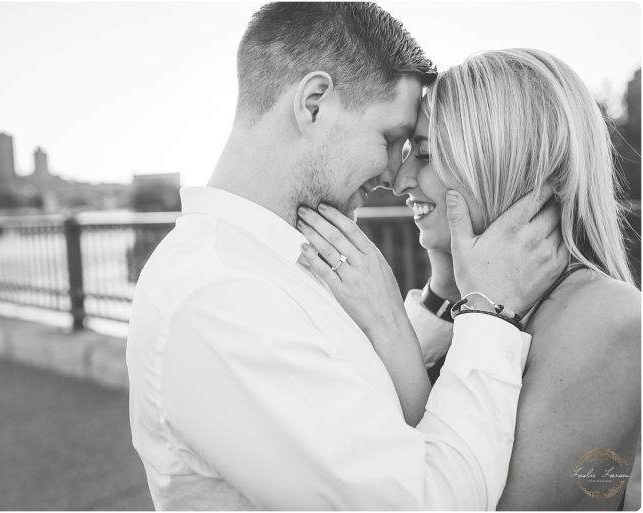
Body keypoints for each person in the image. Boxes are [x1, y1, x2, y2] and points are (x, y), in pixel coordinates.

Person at [126, 4, 567, 509]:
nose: (391, 175)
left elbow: (360, 407)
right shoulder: (221, 298)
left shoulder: (270, 263)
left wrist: (425, 308)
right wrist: (490, 312)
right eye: (390, 138)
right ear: (314, 103)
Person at [299, 48, 641, 510]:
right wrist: (445, 290)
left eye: (422, 153)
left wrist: (388, 323)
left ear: (501, 157)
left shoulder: (608, 318)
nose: (398, 181)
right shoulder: (465, 299)